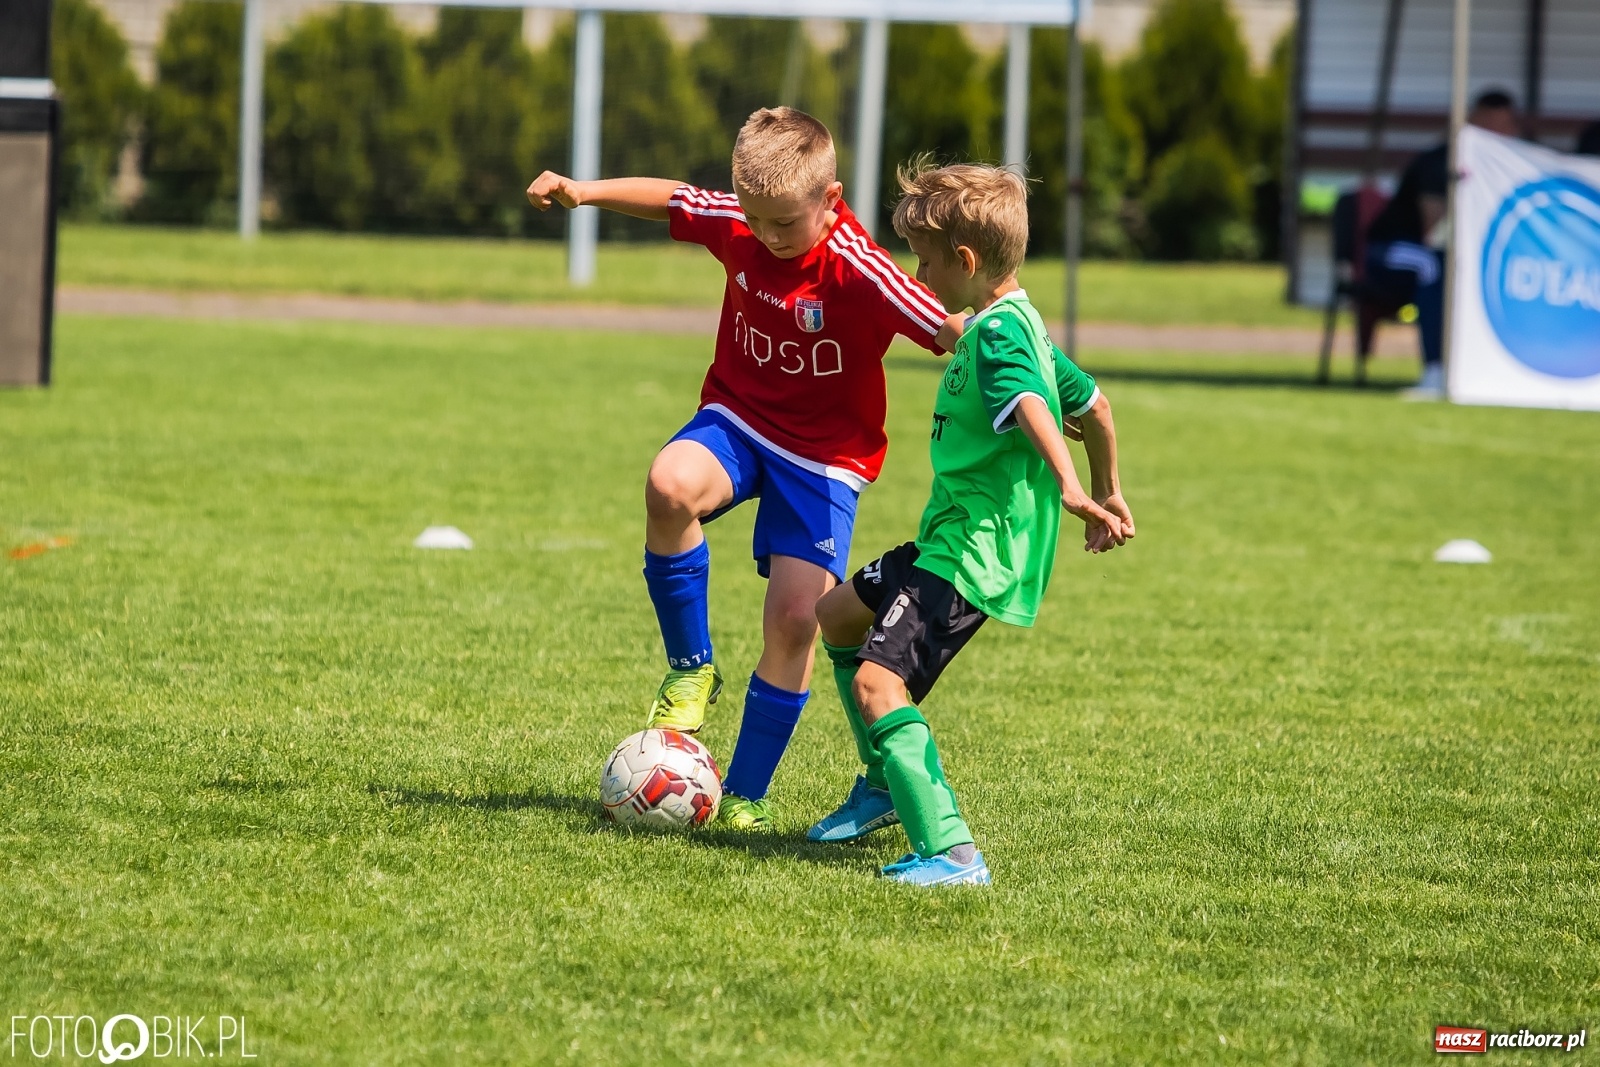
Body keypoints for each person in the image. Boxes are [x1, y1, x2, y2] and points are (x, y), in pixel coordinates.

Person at [526, 108, 963, 830]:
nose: (763, 236)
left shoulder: (861, 268)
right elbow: (675, 199)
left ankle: (747, 795)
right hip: (739, 418)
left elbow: (951, 327)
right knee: (669, 486)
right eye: (753, 219)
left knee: (796, 620)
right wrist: (583, 191)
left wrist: (1045, 386)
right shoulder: (744, 220)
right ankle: (692, 666)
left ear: (831, 199)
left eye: (782, 225)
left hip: (825, 460)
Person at [809, 160, 1132, 885]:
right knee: (836, 616)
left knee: (877, 687)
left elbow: (1033, 408)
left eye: (925, 261)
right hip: (944, 537)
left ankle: (952, 851)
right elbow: (1098, 408)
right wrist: (1111, 490)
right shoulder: (1012, 324)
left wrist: (1076, 488)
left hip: (969, 555)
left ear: (965, 260)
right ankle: (886, 785)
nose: (917, 275)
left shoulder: (999, 341)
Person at [1364, 88, 1519, 400]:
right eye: (1492, 125)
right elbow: (1433, 233)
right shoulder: (1440, 162)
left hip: (1442, 253)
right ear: (1474, 122)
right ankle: (1435, 370)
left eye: (1505, 126)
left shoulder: (1510, 165)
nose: (1500, 133)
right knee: (1433, 264)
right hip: (1391, 251)